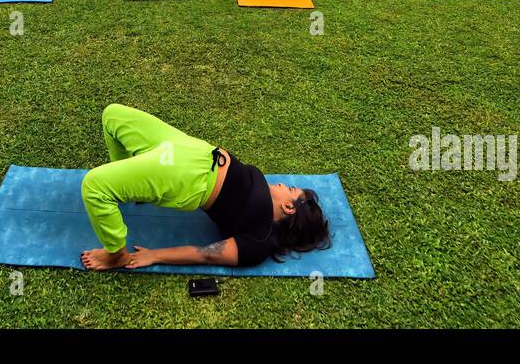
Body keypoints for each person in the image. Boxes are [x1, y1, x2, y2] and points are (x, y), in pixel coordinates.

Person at [79, 104, 331, 271]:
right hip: (190, 148)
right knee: (113, 115)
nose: (282, 184)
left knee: (94, 185)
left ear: (289, 207)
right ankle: (131, 183)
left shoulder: (259, 241)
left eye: (290, 188)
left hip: (186, 176)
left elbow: (206, 254)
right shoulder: (265, 199)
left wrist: (155, 255)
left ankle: (115, 253)